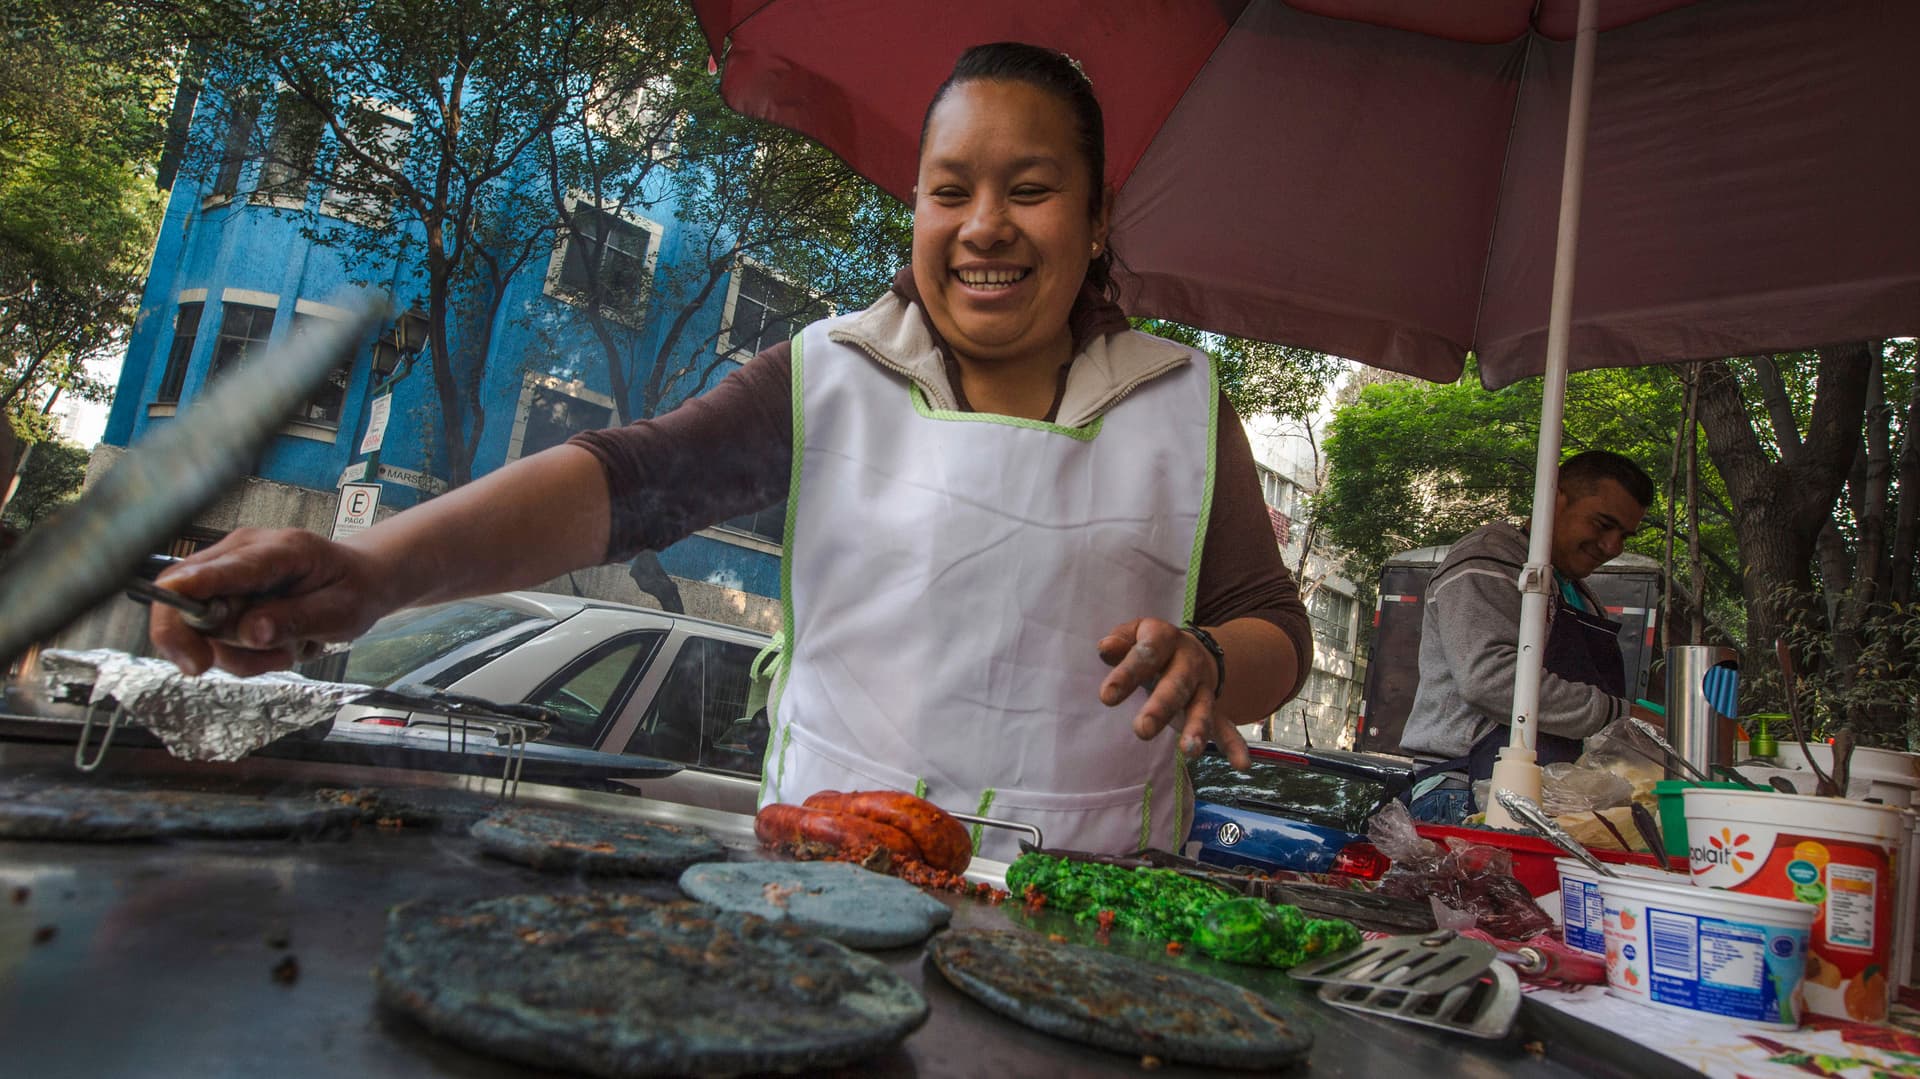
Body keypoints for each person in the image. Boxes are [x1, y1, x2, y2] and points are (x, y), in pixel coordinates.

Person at [148, 43, 1311, 860]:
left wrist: (1211, 656)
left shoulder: (1179, 401)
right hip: (824, 883)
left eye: (1034, 190)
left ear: (1098, 218)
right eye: (948, 190)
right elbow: (630, 481)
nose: (984, 226)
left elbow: (1277, 629)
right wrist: (374, 573)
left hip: (1092, 909)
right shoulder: (829, 373)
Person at [1399, 450, 1657, 825]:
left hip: (1550, 798)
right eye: (1603, 525)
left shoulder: (1582, 596)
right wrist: (1620, 714)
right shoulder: (1488, 560)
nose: (1613, 547)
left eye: (1624, 536)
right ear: (1553, 496)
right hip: (1464, 792)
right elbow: (1490, 680)